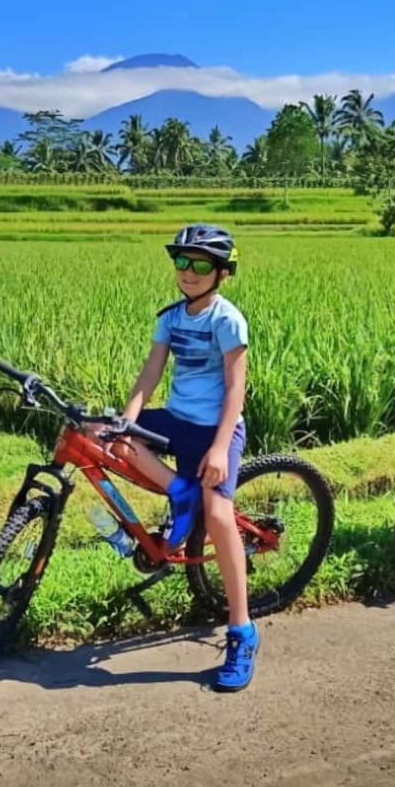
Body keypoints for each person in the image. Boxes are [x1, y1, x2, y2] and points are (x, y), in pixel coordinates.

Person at [113, 223, 255, 690]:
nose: (189, 273)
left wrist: (218, 447)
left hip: (218, 429)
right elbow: (148, 375)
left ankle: (241, 630)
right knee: (99, 434)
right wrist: (126, 421)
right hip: (176, 419)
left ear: (221, 273)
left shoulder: (226, 319)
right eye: (182, 262)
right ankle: (180, 490)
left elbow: (236, 390)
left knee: (219, 516)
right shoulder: (171, 318)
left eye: (200, 265)